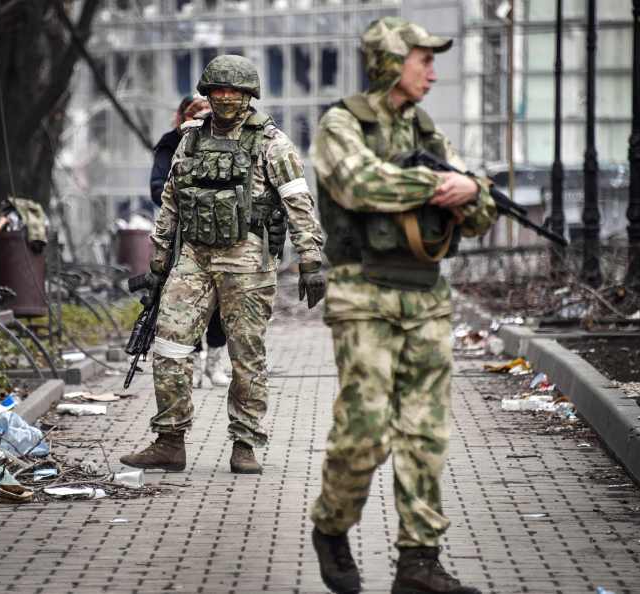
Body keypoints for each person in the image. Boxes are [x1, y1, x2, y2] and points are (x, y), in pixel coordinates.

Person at [308, 18, 497, 594]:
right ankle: (332, 525)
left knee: (425, 433)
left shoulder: (427, 131)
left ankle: (419, 561)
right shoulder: (342, 123)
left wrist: (473, 190)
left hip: (426, 297)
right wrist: (446, 187)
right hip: (362, 294)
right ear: (391, 62)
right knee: (365, 433)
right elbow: (360, 186)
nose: (433, 72)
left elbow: (482, 210)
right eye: (423, 61)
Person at [120, 55, 326, 474]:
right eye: (218, 90)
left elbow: (299, 204)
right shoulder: (190, 139)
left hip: (247, 262)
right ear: (207, 93)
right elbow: (171, 203)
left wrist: (311, 260)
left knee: (246, 355)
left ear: (250, 95)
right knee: (170, 345)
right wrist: (159, 261)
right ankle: (170, 440)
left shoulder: (272, 144)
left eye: (236, 91)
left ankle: (245, 443)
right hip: (194, 257)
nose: (227, 98)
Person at [150, 96, 231, 387]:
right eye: (195, 115)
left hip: (222, 238)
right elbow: (157, 187)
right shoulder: (172, 142)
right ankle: (194, 364)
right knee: (186, 305)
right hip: (183, 237)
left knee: (222, 304)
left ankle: (214, 364)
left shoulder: (229, 141)